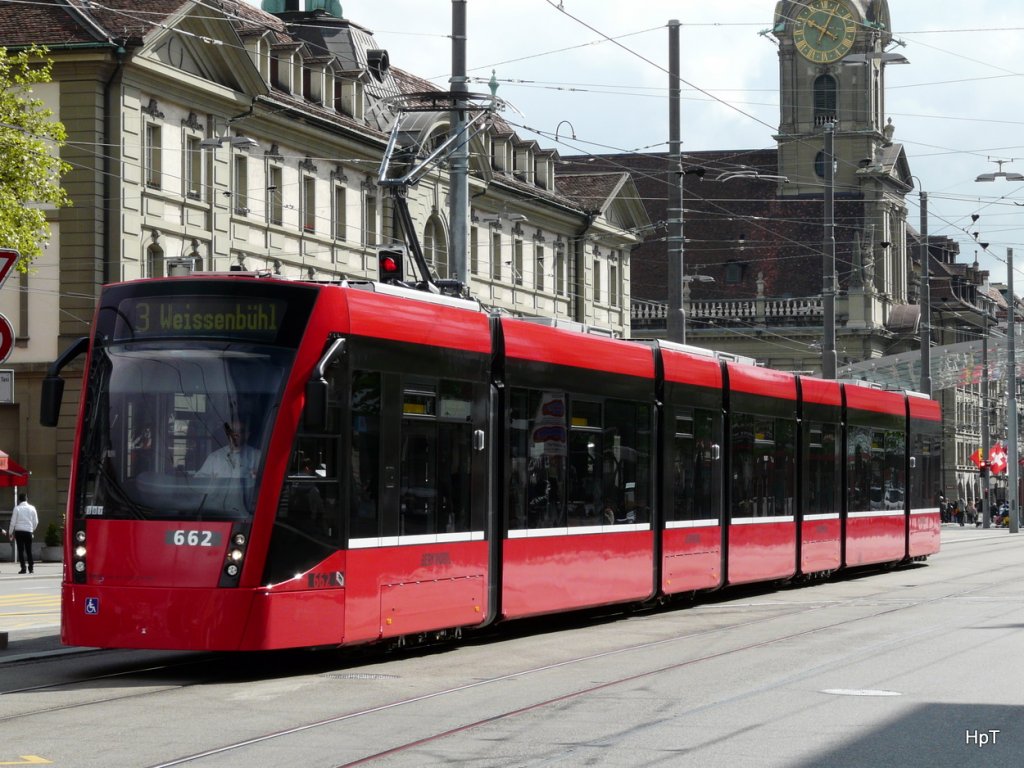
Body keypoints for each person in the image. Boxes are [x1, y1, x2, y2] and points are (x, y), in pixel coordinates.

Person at [196, 420, 260, 479]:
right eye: (232, 431)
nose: (235, 435)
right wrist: (210, 481)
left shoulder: (258, 456)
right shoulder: (214, 457)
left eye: (240, 431)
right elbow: (199, 479)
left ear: (247, 434)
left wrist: (258, 477)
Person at [9, 492, 39, 575]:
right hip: (28, 531)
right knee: (29, 550)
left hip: (19, 532)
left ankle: (23, 568)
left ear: (19, 500)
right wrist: (32, 529)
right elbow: (36, 521)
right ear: (27, 499)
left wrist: (10, 532)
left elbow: (13, 522)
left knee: (21, 550)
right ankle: (31, 568)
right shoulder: (32, 508)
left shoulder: (17, 508)